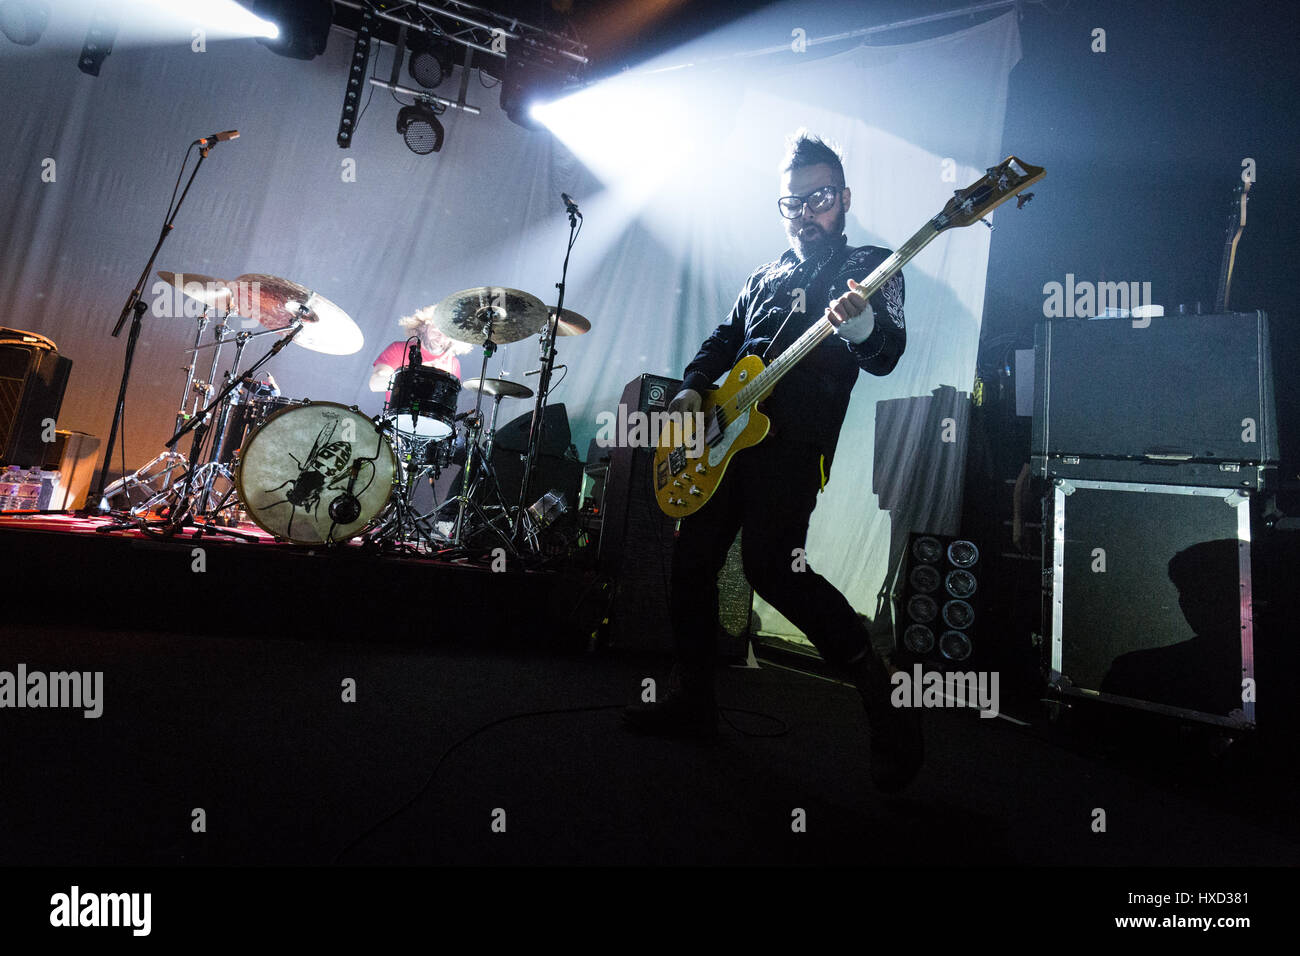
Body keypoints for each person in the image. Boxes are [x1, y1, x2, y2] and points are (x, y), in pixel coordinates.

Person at [622, 131, 923, 793]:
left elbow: (887, 350)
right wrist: (697, 389)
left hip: (793, 448)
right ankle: (694, 701)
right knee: (692, 560)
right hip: (727, 442)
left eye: (818, 198)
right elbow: (725, 340)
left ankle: (879, 689)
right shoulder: (765, 275)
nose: (806, 213)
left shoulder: (871, 265)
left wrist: (863, 324)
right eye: (792, 203)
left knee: (770, 567)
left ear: (842, 198)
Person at [368, 305, 473, 399]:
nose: (440, 339)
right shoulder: (399, 349)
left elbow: (448, 401)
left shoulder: (453, 363)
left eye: (446, 334)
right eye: (436, 331)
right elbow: (375, 383)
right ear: (424, 327)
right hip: (397, 418)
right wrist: (415, 378)